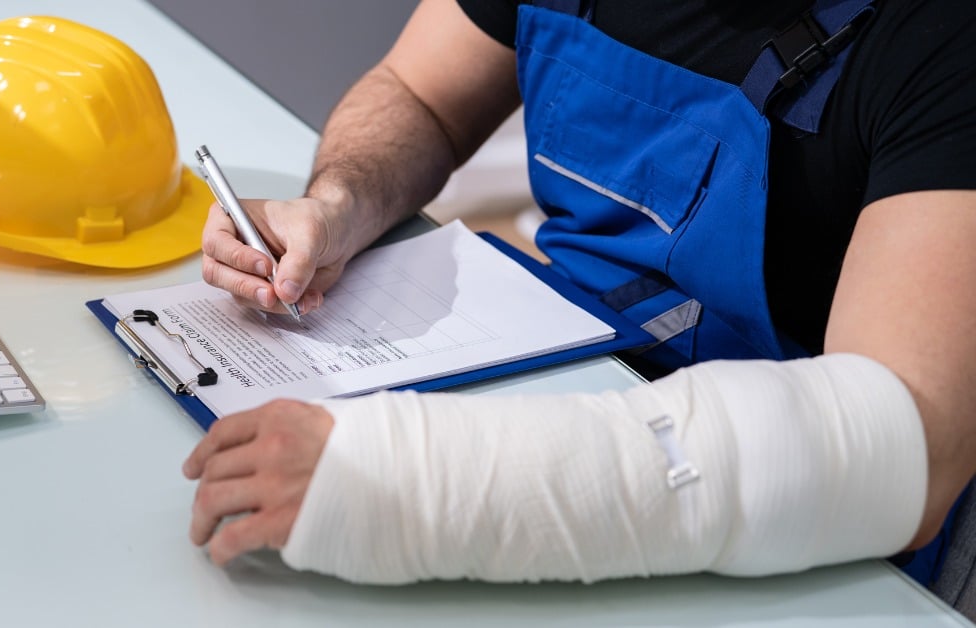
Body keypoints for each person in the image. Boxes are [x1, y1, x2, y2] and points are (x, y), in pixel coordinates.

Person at [183, 0, 976, 591]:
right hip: (562, 372)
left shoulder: (942, 37)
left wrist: (403, 481)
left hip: (786, 505)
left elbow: (898, 442)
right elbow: (416, 93)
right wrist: (337, 204)